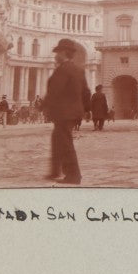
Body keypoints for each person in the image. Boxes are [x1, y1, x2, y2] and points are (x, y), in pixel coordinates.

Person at [43, 38, 89, 184]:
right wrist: (85, 110)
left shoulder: (62, 69)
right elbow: (86, 92)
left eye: (57, 52)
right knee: (58, 139)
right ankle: (55, 171)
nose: (55, 55)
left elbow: (55, 90)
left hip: (63, 112)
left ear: (63, 53)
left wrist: (44, 105)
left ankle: (74, 175)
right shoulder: (78, 69)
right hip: (73, 112)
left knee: (65, 142)